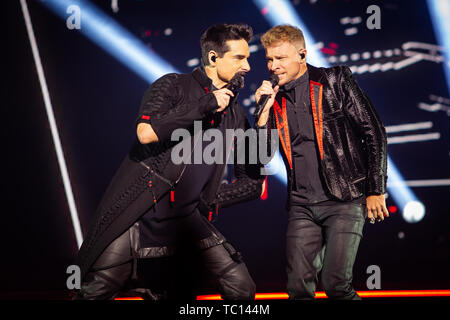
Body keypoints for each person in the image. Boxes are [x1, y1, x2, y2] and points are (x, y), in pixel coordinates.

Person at [74, 23, 264, 300]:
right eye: (239, 57)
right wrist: (205, 105)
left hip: (188, 221)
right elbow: (145, 133)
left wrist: (263, 123)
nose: (247, 66)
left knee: (241, 288)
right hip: (140, 214)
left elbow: (254, 183)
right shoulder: (173, 85)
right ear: (213, 57)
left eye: (247, 58)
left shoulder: (236, 114)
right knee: (96, 291)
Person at [254, 25, 388, 300]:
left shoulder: (335, 80)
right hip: (301, 205)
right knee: (297, 288)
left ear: (302, 55)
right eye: (269, 59)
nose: (273, 65)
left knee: (336, 284)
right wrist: (262, 116)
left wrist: (376, 189)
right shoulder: (273, 99)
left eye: (281, 58)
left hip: (344, 199)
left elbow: (373, 131)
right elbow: (261, 158)